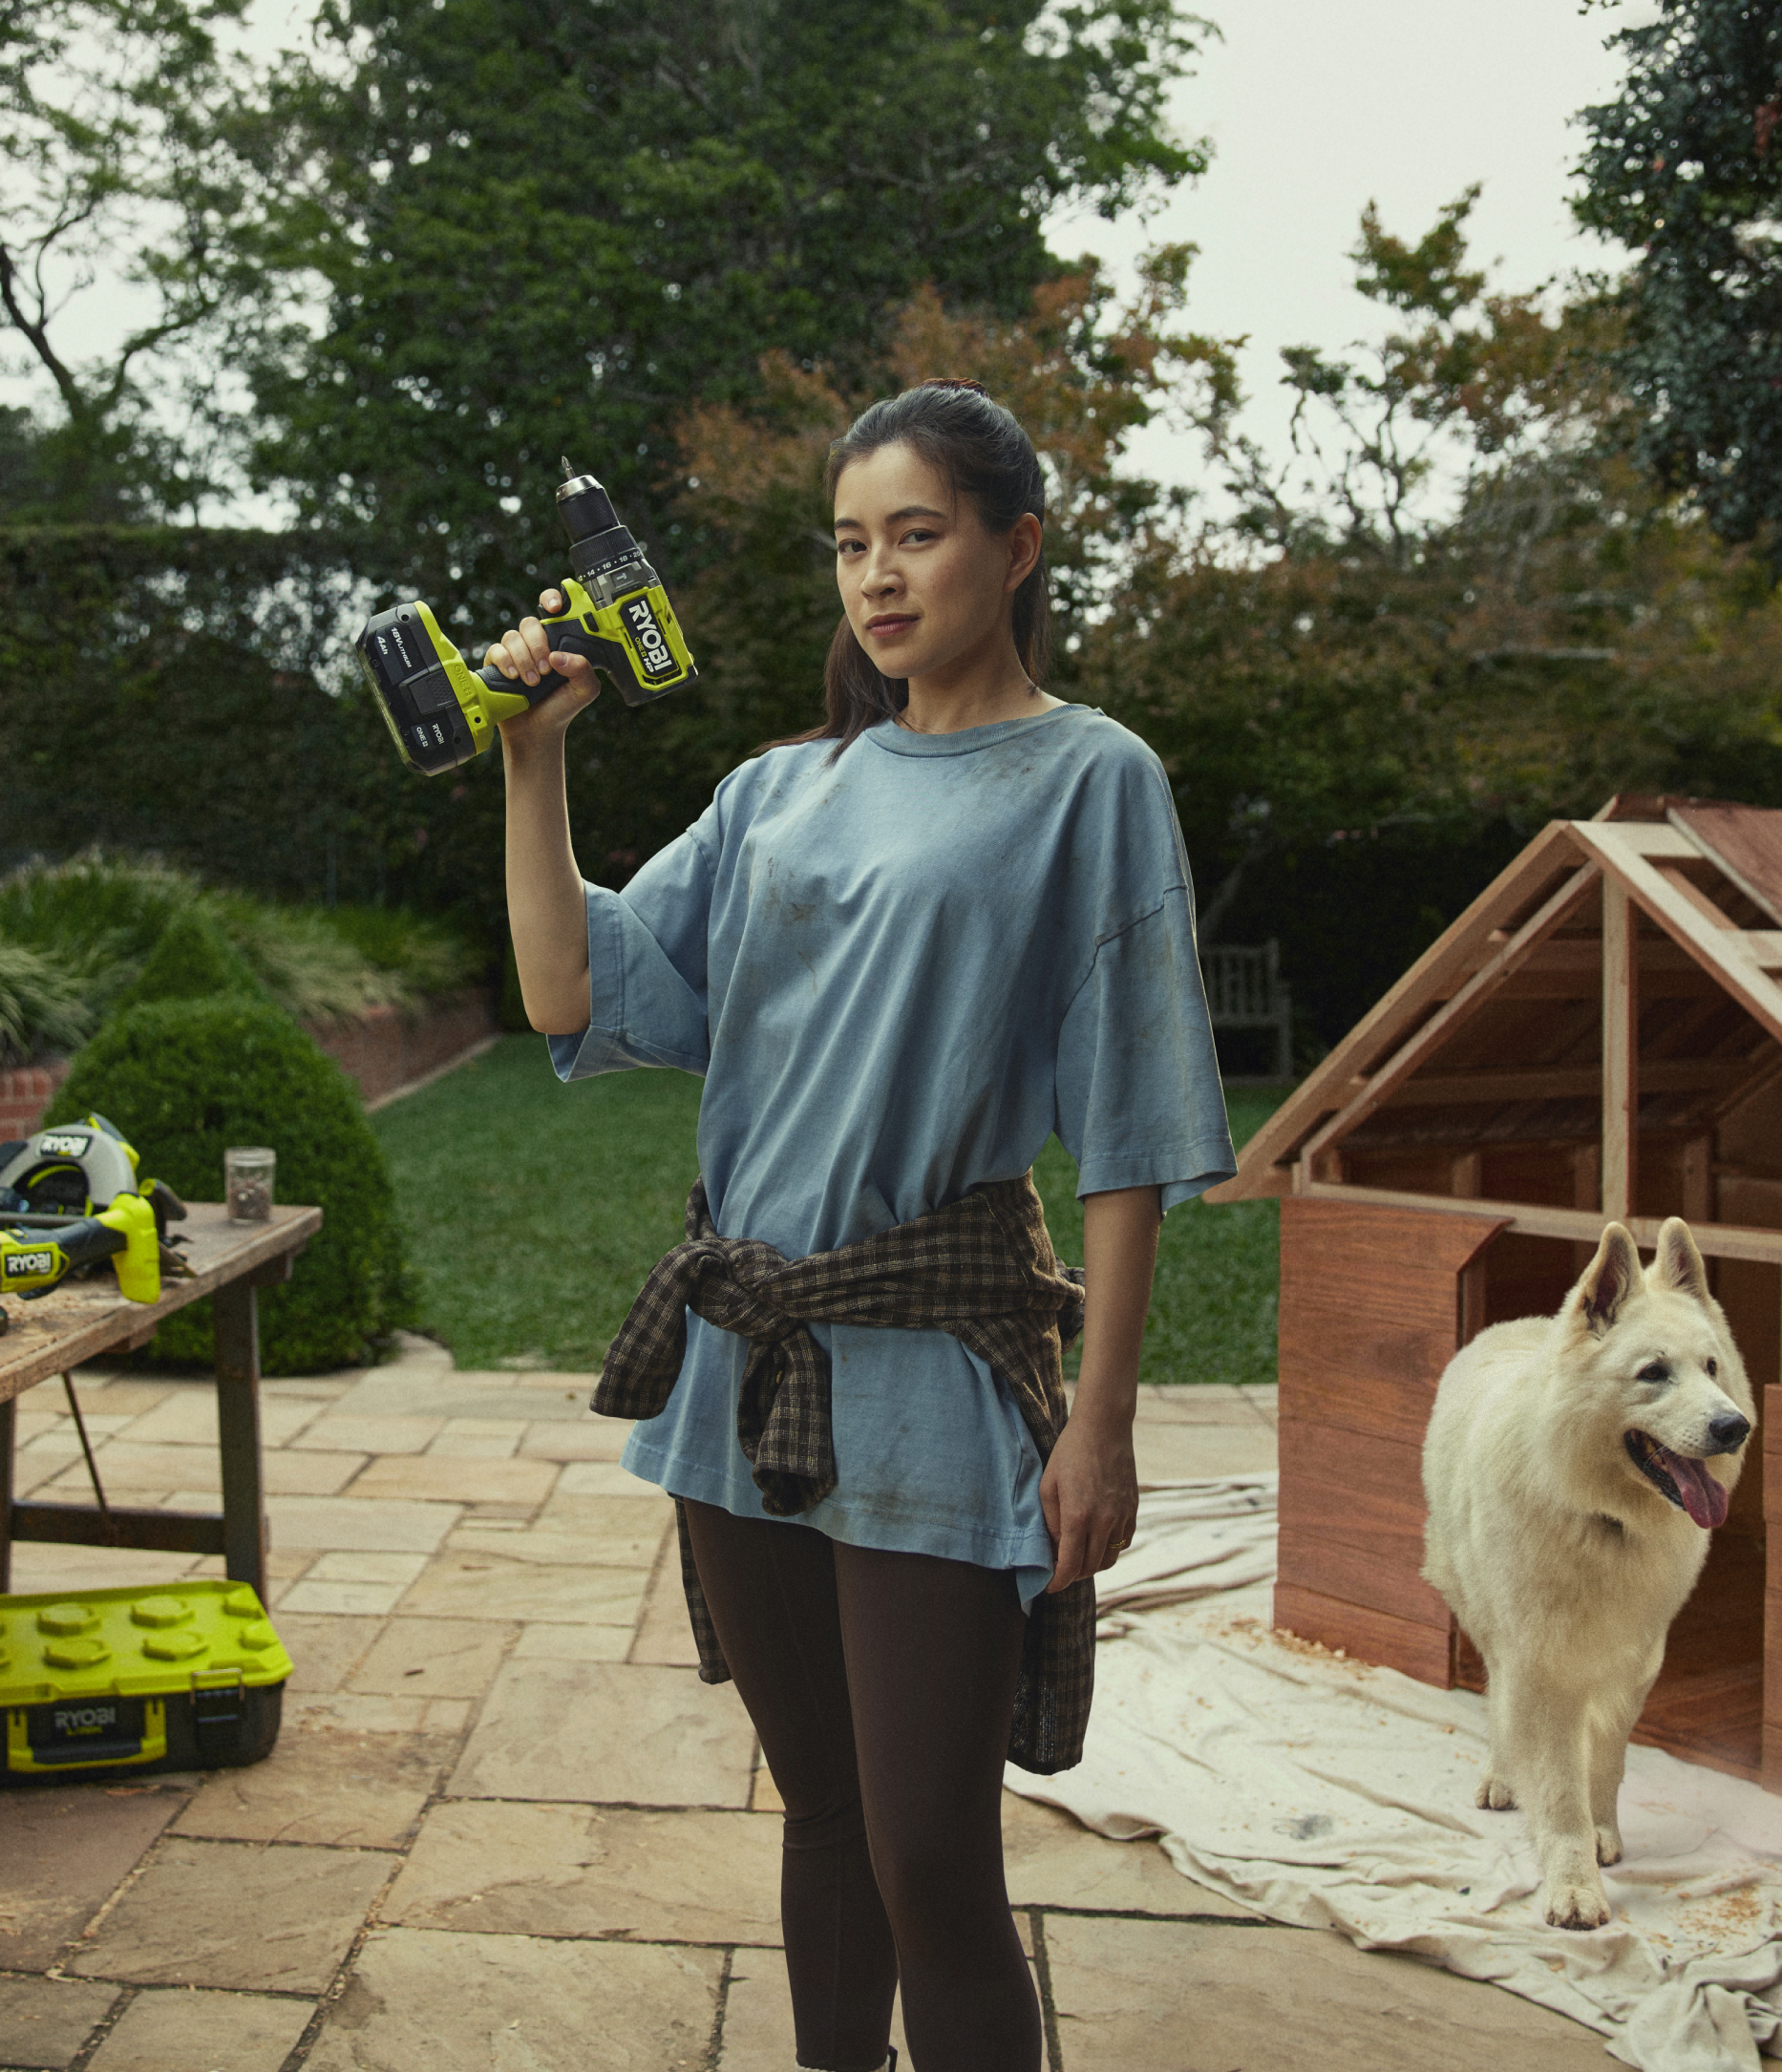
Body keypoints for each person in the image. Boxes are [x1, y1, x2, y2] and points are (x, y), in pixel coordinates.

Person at [490, 380, 1233, 2072]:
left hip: (929, 1364)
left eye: (917, 533)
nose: (878, 577)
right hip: (744, 1361)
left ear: (1015, 546)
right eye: (850, 543)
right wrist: (531, 758)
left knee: (931, 1859)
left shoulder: (1088, 779)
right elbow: (569, 983)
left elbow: (1129, 1125)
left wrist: (1102, 1419)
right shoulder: (779, 795)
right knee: (820, 1814)